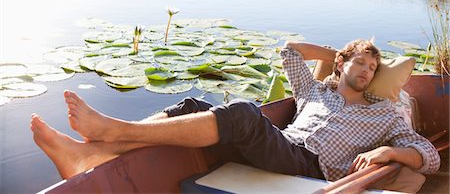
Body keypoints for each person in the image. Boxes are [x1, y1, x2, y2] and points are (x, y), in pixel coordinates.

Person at [30, 39, 440, 183]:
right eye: (360, 63)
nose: (368, 72)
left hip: (310, 167)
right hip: (280, 147)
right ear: (341, 65)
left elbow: (430, 157)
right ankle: (90, 155)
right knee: (192, 105)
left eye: (373, 68)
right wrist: (333, 52)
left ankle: (114, 132)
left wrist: (388, 153)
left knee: (243, 115)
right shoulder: (316, 92)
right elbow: (289, 50)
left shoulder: (384, 114)